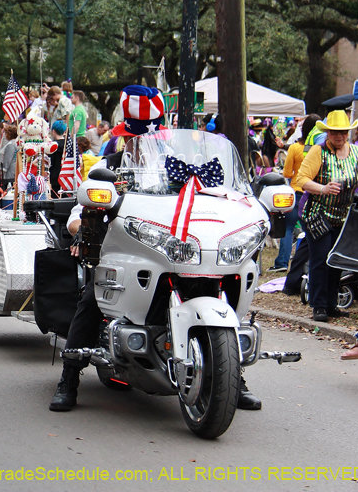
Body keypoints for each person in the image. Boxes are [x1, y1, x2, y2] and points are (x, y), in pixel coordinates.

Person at [49, 85, 262, 412]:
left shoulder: (187, 170)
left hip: (180, 252)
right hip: (125, 249)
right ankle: (70, 377)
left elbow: (216, 200)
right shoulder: (111, 161)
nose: (142, 144)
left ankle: (232, 376)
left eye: (151, 136)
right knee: (93, 297)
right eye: (130, 136)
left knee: (225, 283)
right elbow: (79, 215)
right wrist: (83, 225)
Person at [294, 110, 358, 322]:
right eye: (334, 132)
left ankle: (331, 305)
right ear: (327, 133)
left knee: (335, 261)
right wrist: (322, 188)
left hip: (343, 216)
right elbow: (301, 179)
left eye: (343, 133)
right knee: (320, 259)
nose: (339, 137)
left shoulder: (356, 152)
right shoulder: (318, 152)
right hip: (317, 214)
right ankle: (319, 306)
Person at [273, 114, 320, 273]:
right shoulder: (320, 149)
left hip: (296, 192)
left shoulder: (294, 148)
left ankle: (282, 263)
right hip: (315, 193)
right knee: (312, 231)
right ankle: (308, 265)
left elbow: (286, 173)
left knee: (288, 228)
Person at [48, 120, 67, 195]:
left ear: (53, 131)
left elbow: (49, 163)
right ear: (64, 132)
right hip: (66, 178)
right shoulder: (69, 145)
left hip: (54, 177)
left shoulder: (52, 146)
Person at [0, 125, 18, 191]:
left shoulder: (10, 145)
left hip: (10, 172)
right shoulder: (17, 143)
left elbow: (8, 159)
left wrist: (3, 170)